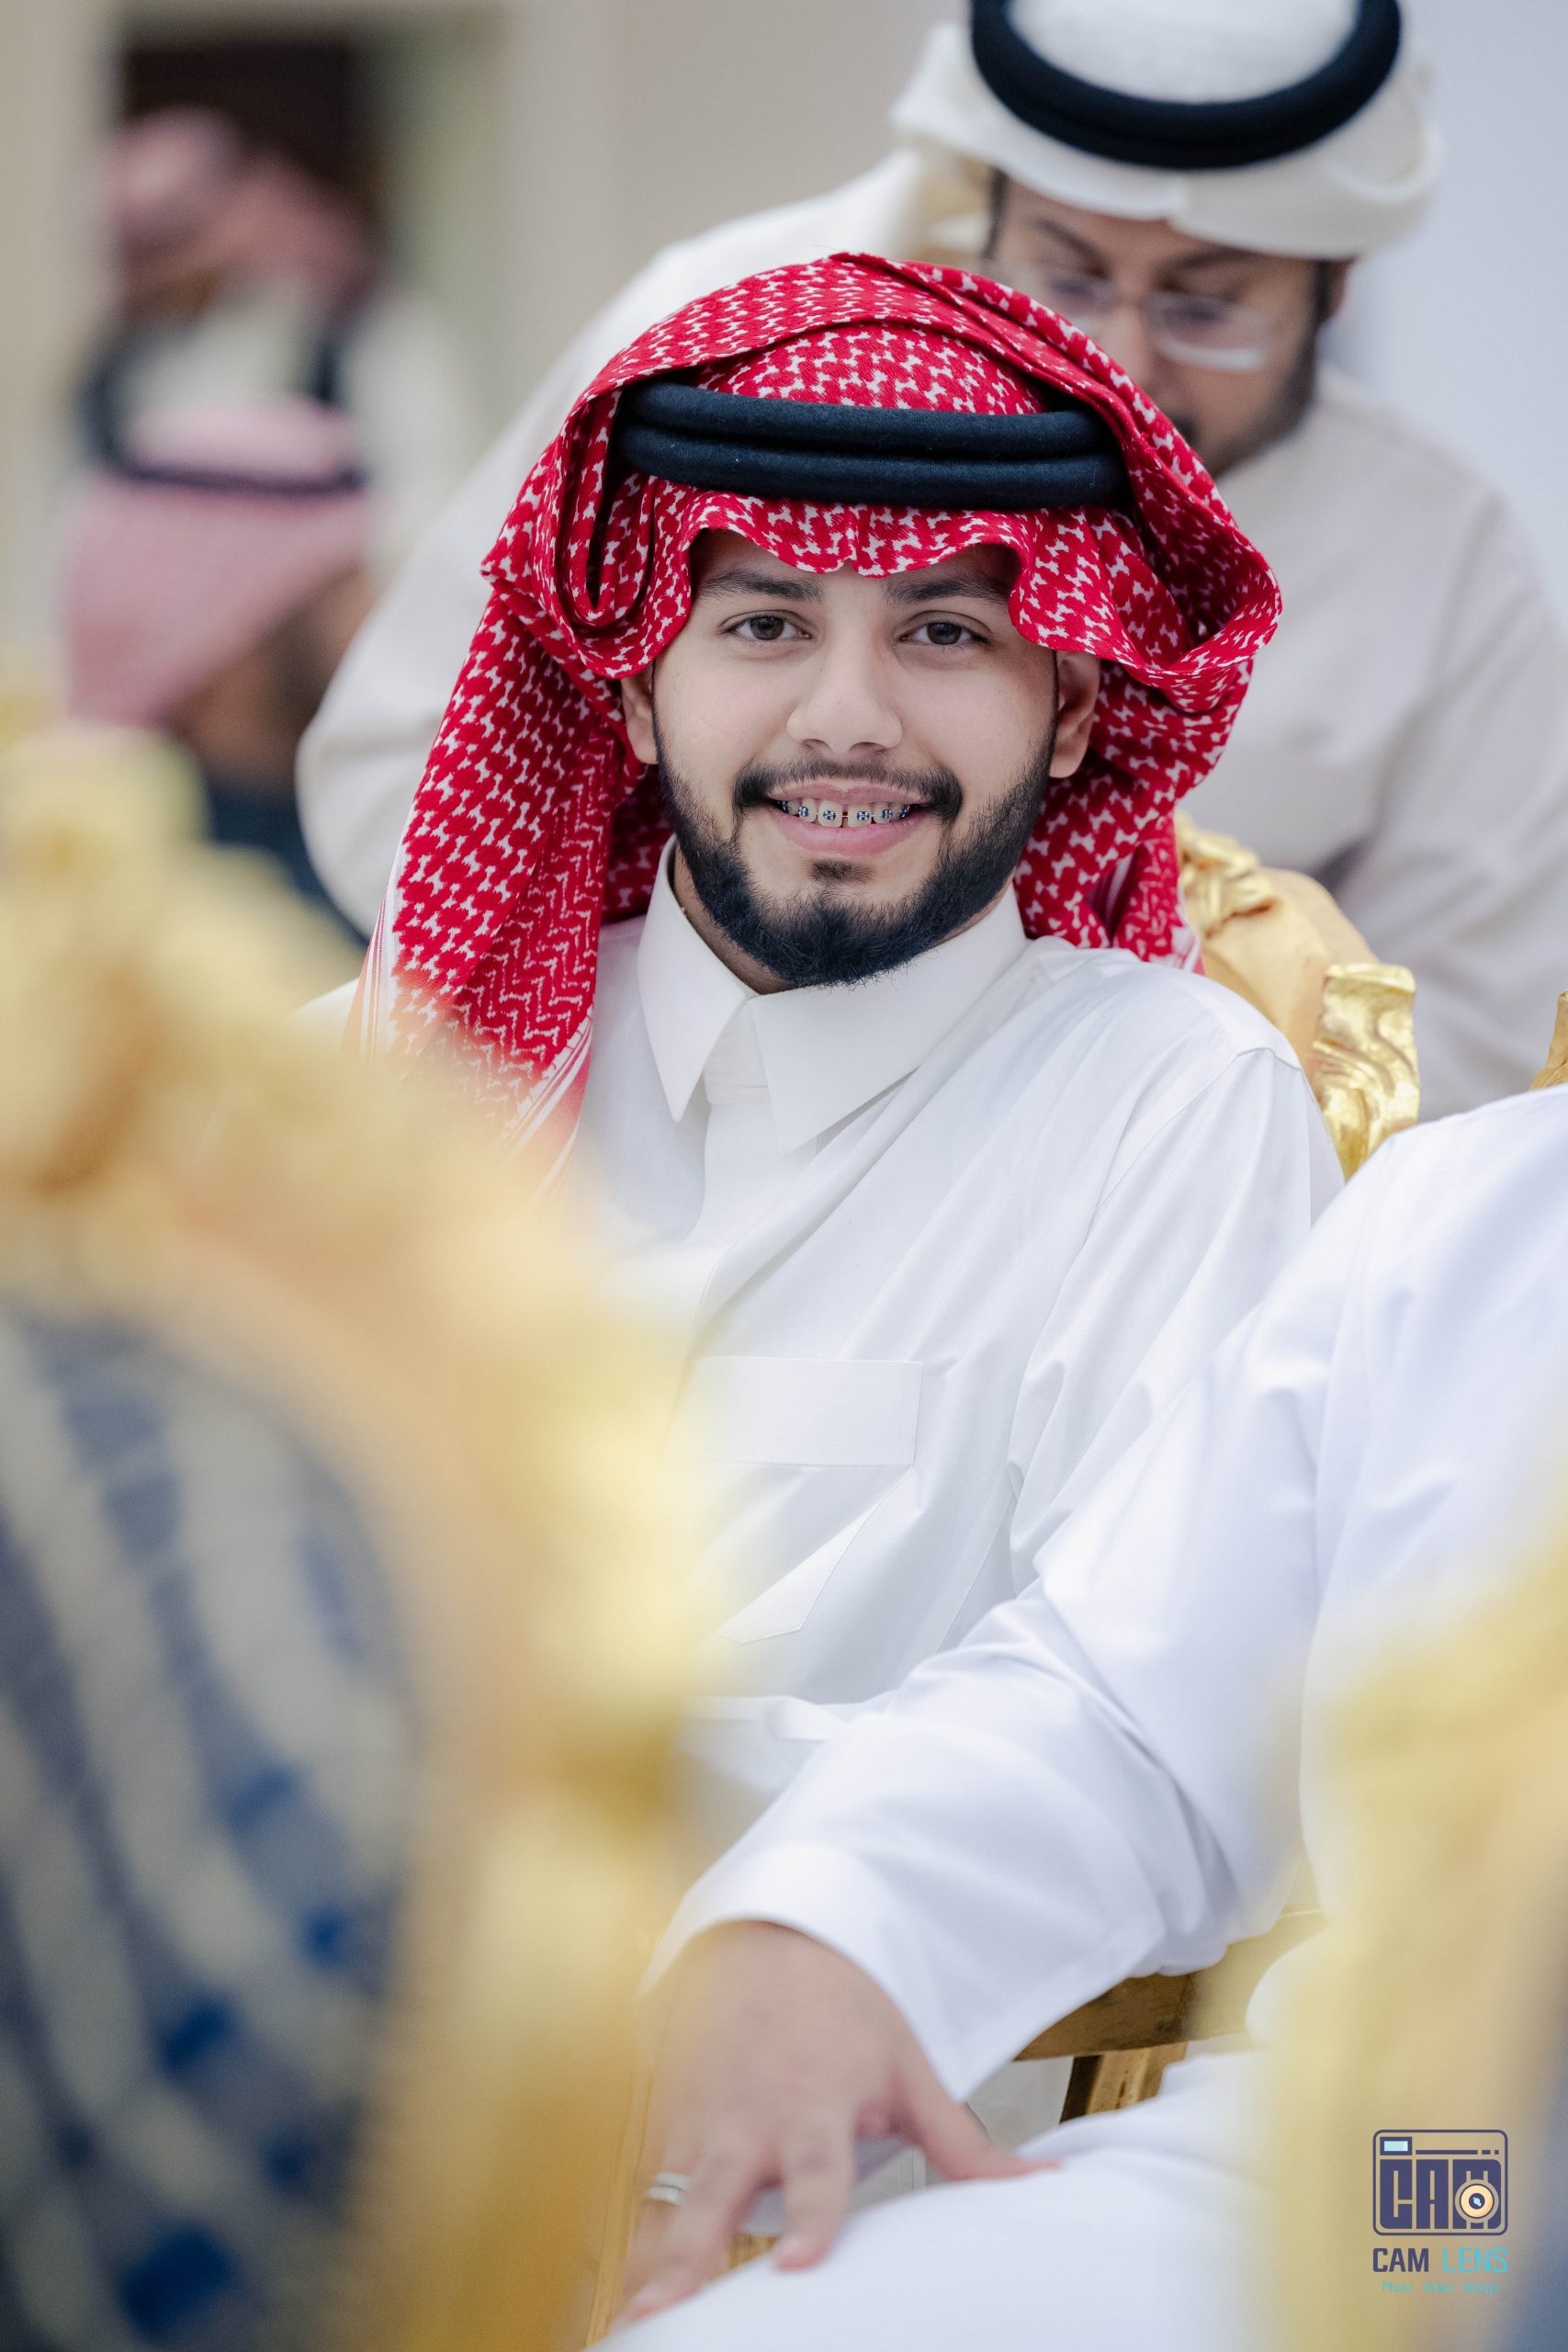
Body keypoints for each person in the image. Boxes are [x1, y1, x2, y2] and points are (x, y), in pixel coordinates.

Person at [347, 254, 1338, 1883]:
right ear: (635, 690)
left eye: (943, 631)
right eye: (763, 623)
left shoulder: (1168, 1115)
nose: (848, 718)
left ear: (1072, 706)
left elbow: (1164, 1743)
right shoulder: (375, 1086)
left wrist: (524, 1766)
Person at [300, 0, 1568, 1121]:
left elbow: (1468, 1032)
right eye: (1069, 273)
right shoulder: (713, 356)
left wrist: (1139, 1062)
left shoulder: (1439, 549)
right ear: (982, 210)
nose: (1123, 360)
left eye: (1206, 303)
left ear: (1333, 287)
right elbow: (410, 778)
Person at [607, 1067, 1568, 2350]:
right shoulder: (1472, 1212)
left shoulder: (1190, 1097)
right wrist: (834, 1919)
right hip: (1431, 2175)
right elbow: (1125, 1707)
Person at [84, 109, 483, 571]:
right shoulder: (112, 374)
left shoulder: (369, 334)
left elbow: (436, 497)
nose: (165, 275)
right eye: (142, 253)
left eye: (175, 245)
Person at [59, 396, 376, 928]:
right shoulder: (138, 918)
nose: (374, 610)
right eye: (343, 583)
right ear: (230, 632)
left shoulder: (366, 840)